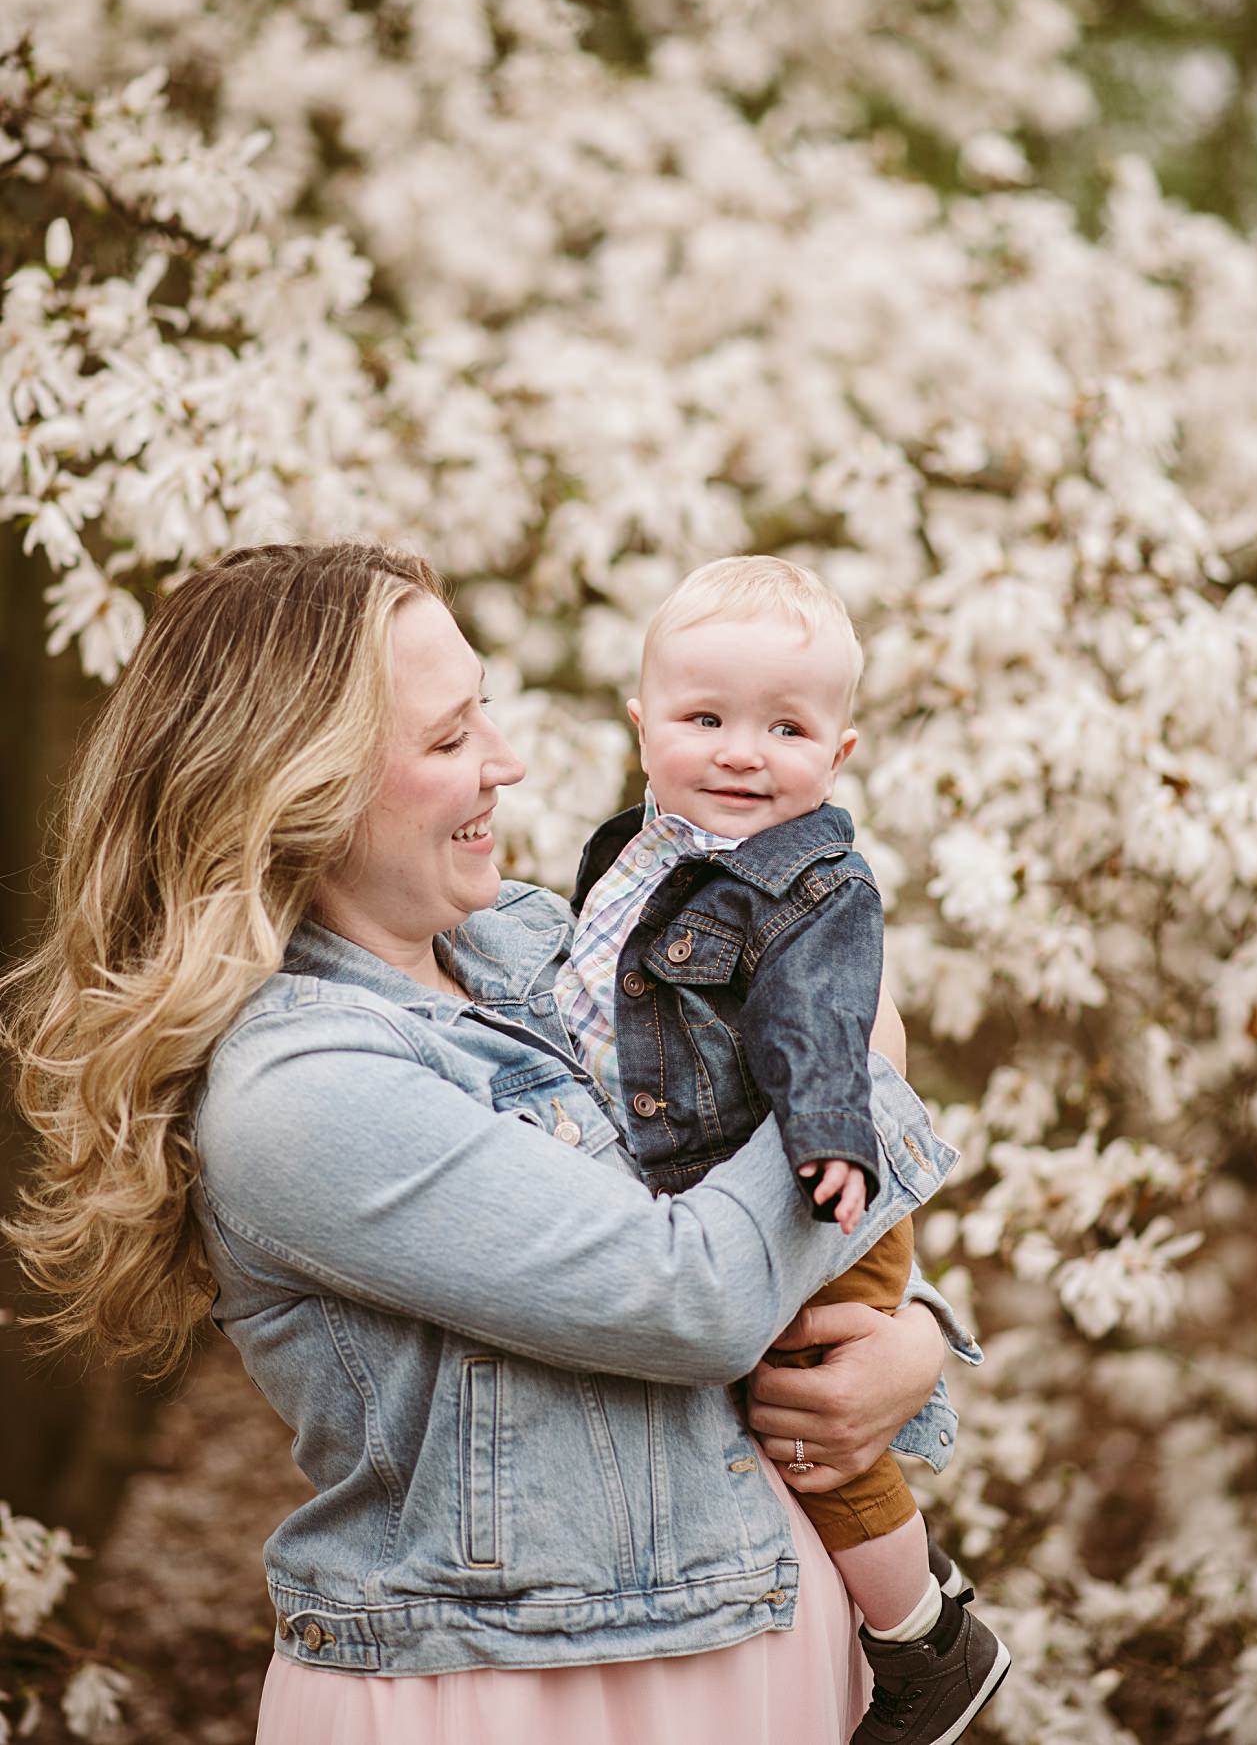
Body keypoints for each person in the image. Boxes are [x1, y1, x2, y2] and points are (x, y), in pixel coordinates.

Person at [6, 542, 968, 1745]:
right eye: (452, 738)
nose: (506, 765)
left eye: (488, 719)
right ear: (303, 787)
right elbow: (695, 1295)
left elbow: (736, 1165)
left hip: (758, 1633)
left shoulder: (535, 944)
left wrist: (913, 1337)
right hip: (519, 1693)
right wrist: (863, 1064)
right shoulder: (305, 1086)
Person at [556, 557, 1010, 1744]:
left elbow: (818, 1024)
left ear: (839, 757)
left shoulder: (812, 887)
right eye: (706, 719)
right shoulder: (633, 857)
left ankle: (922, 1638)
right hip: (724, 1192)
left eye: (786, 728)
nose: (743, 753)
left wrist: (828, 1151)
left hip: (823, 1186)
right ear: (641, 724)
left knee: (813, 1422)